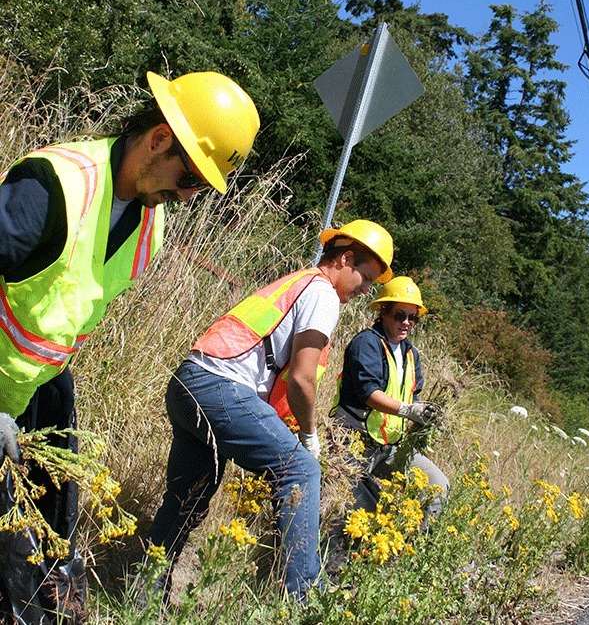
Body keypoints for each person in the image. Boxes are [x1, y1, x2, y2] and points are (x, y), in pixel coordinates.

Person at [0, 70, 260, 624]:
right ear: (160, 138)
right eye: (190, 178)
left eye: (200, 188)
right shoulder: (57, 185)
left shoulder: (149, 226)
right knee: (13, 558)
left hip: (40, 389)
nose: (187, 196)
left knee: (50, 546)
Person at [146, 220, 394, 602]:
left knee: (188, 497)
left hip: (188, 382)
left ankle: (144, 594)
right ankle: (302, 600)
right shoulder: (322, 293)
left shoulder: (298, 282)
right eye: (367, 278)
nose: (366, 290)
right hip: (219, 388)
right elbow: (302, 379)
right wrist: (309, 437)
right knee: (301, 469)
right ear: (346, 259)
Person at [331, 276, 449, 522]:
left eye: (413, 317)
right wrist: (408, 411)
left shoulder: (410, 353)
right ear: (383, 312)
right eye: (400, 315)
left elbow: (412, 396)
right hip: (352, 440)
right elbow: (368, 393)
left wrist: (426, 412)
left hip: (389, 446)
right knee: (350, 508)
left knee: (438, 485)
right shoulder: (366, 343)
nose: (406, 323)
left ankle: (417, 542)